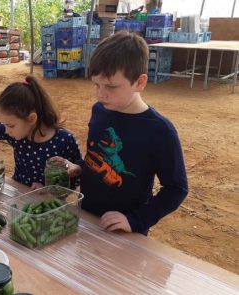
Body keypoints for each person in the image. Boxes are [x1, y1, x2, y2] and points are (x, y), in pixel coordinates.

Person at [63, 31, 188, 235]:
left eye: (111, 86)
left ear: (140, 83)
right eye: (96, 84)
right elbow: (97, 158)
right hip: (86, 216)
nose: (100, 93)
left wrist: (136, 220)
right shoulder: (99, 110)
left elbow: (176, 188)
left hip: (124, 230)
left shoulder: (160, 131)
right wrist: (80, 168)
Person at [0, 75, 82, 190]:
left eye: (10, 126)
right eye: (4, 125)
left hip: (49, 204)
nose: (6, 130)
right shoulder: (16, 134)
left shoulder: (65, 139)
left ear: (31, 119)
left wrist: (48, 189)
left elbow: (77, 174)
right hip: (18, 194)